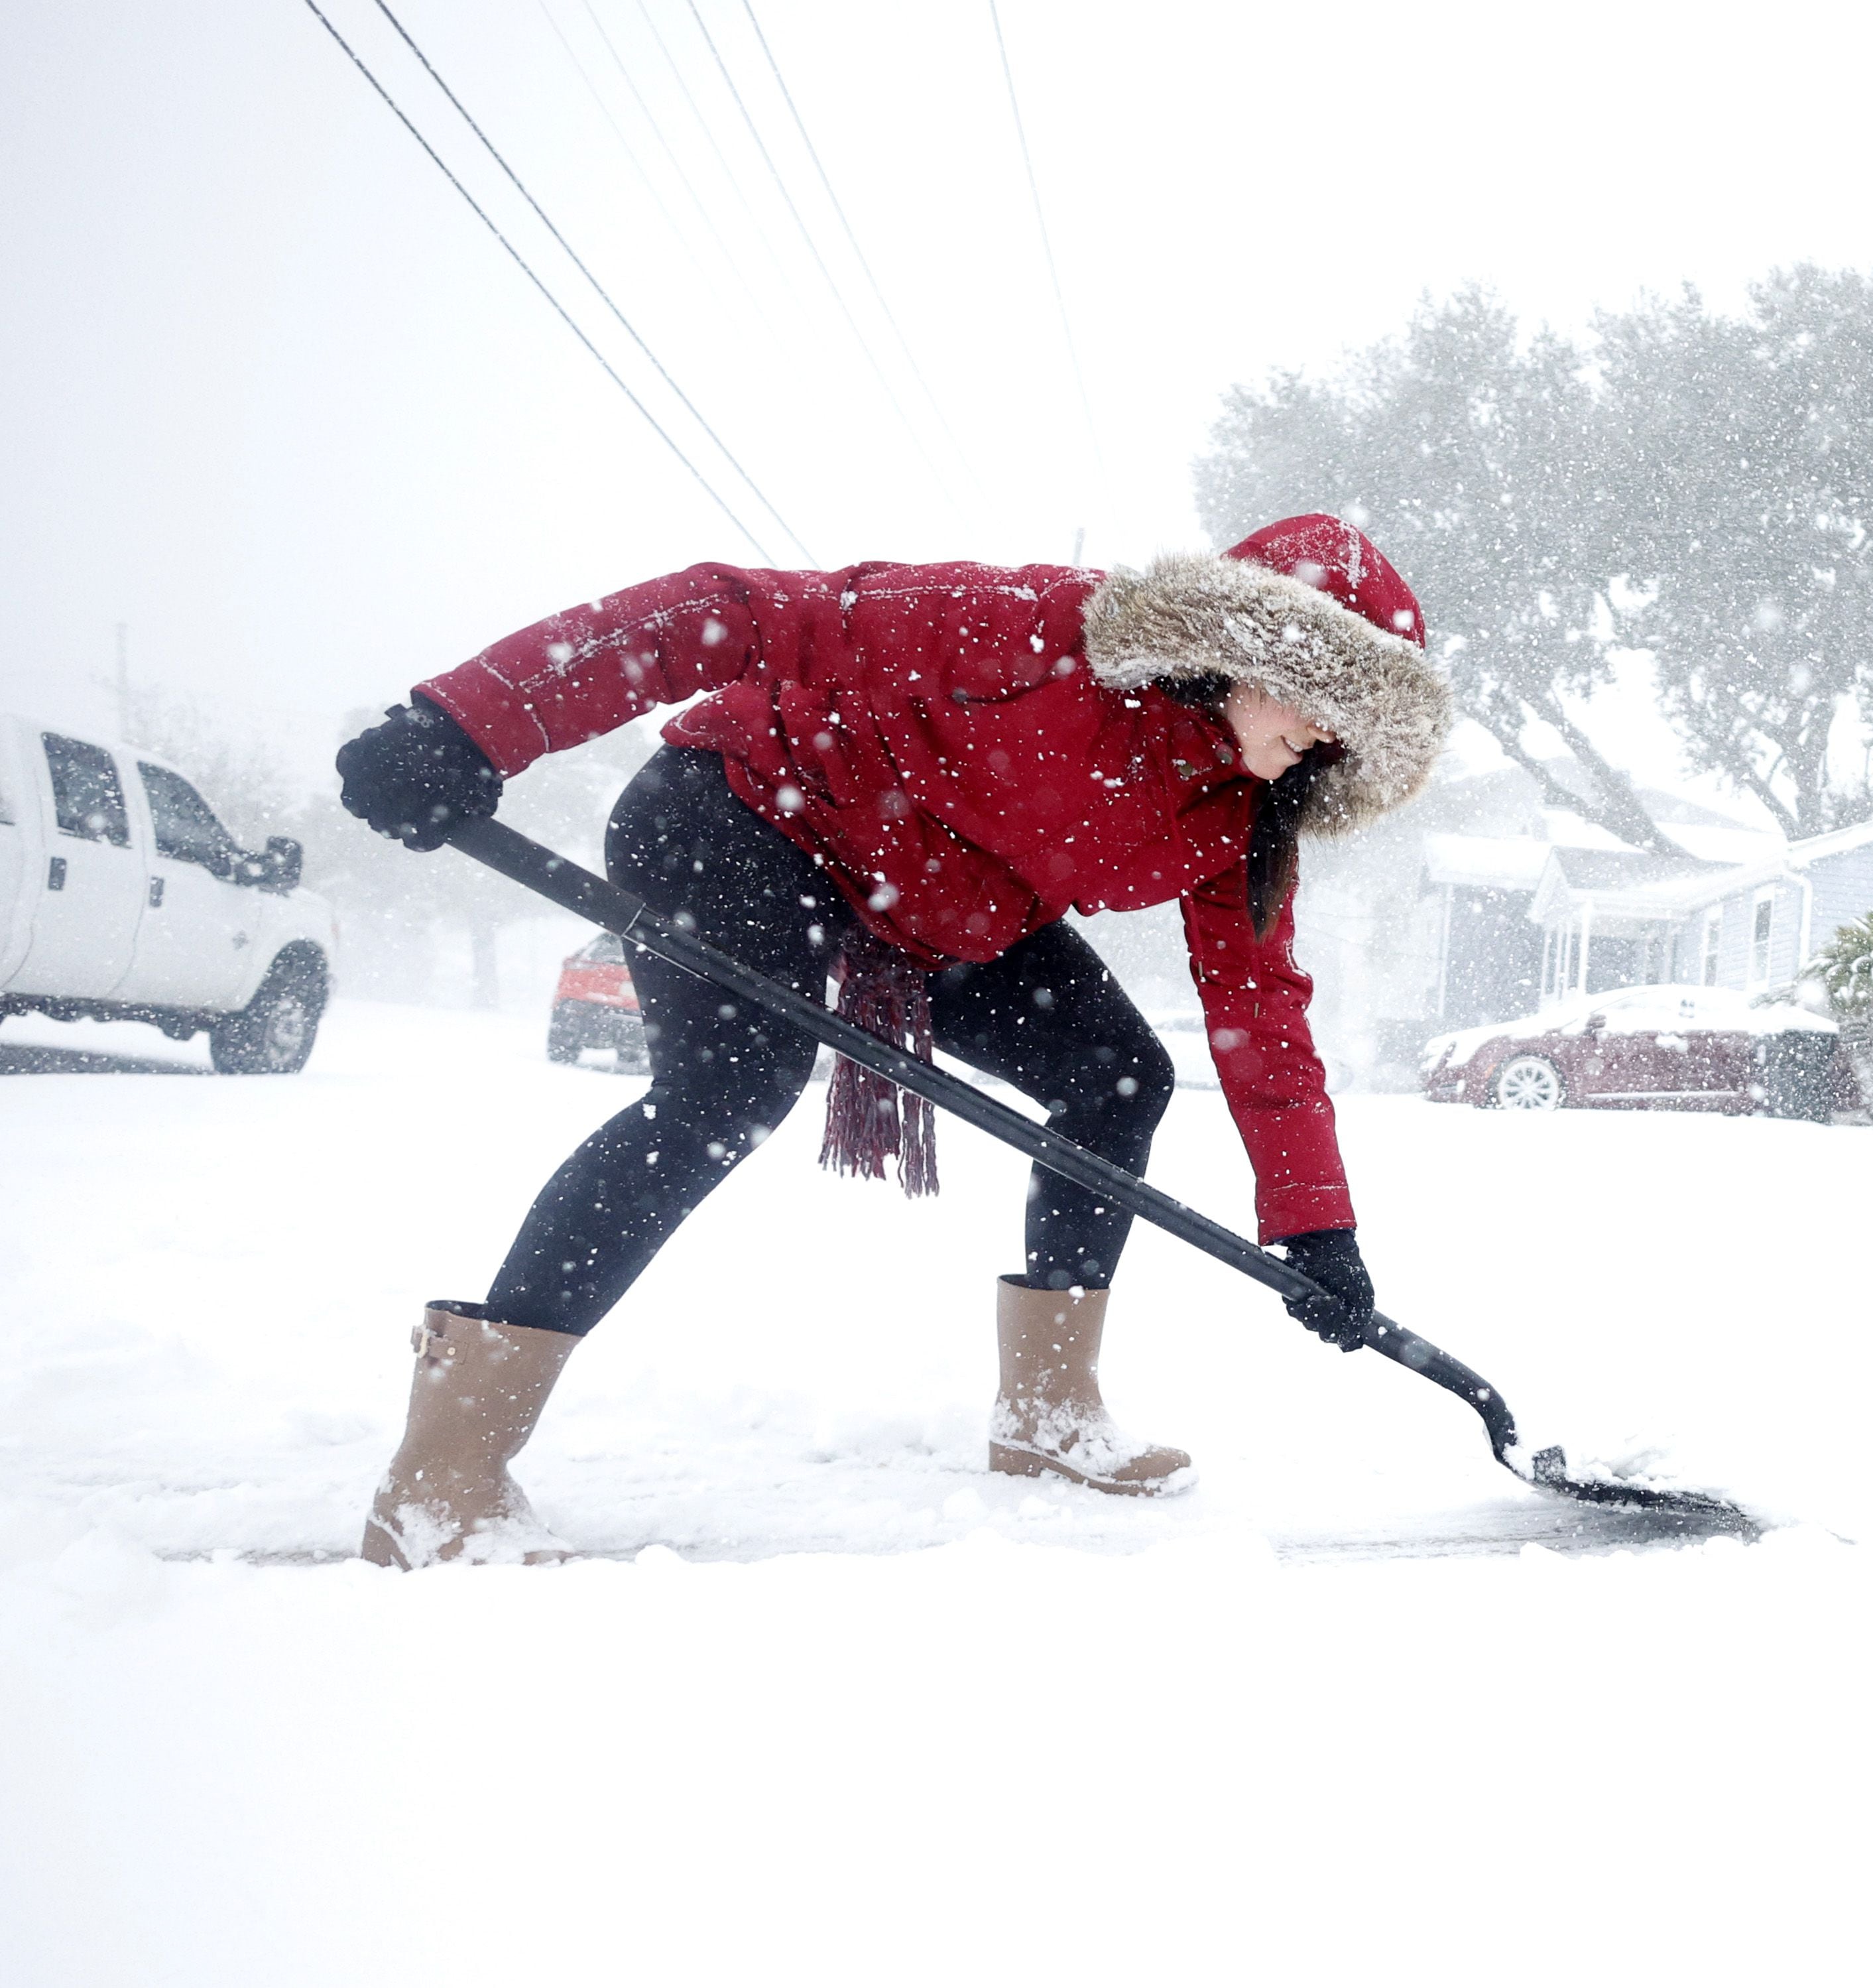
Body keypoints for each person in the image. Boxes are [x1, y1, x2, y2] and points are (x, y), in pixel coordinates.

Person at [335, 515, 1451, 1566]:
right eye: (1317, 697)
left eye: (1351, 728)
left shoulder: (1241, 813)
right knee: (726, 1096)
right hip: (742, 810)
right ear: (1240, 648)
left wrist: (1316, 1229)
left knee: (1116, 1076)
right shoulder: (1041, 631)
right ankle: (446, 1471)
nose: (1324, 739)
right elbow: (728, 610)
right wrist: (472, 721)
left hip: (924, 902)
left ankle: (1048, 1411)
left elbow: (1261, 1015)